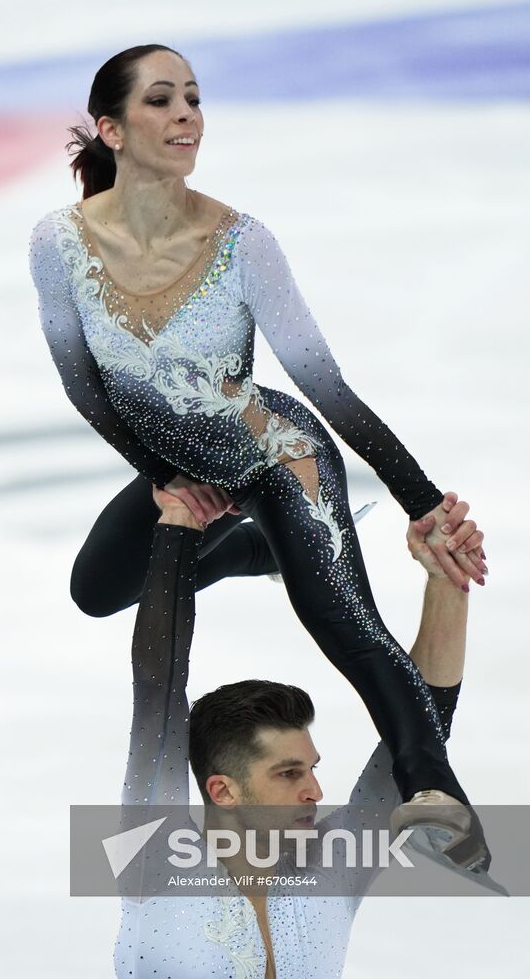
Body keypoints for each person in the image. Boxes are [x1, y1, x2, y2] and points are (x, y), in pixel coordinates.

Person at [28, 42, 489, 844]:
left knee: (343, 619)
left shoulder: (243, 242)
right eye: (162, 101)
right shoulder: (57, 242)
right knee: (96, 590)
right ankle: (250, 550)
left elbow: (327, 386)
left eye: (195, 99)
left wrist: (423, 504)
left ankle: (431, 788)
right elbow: (83, 384)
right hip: (177, 462)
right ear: (111, 128)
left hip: (278, 456)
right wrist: (166, 479)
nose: (186, 117)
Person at [111, 489, 486, 979]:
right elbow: (157, 692)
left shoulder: (334, 865)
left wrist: (445, 578)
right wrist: (180, 519)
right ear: (222, 789)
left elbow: (422, 724)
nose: (314, 791)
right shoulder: (155, 860)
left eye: (309, 769)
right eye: (288, 774)